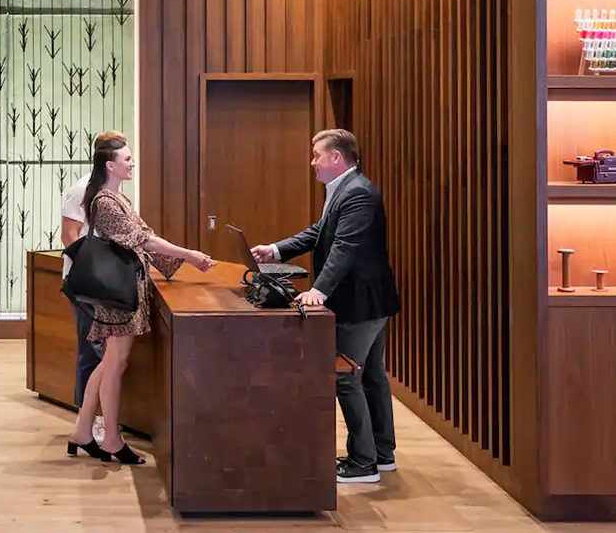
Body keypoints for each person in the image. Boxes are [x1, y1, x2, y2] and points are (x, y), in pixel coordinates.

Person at [252, 129, 401, 484]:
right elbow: (320, 232)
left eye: (317, 155)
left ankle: (363, 463)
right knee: (371, 377)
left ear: (336, 157)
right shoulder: (346, 191)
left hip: (360, 304)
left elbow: (344, 249)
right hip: (370, 302)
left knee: (346, 377)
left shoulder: (358, 194)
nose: (313, 162)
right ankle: (382, 455)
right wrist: (276, 249)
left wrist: (318, 290)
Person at [67, 136, 216, 463]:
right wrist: (188, 255)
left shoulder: (117, 198)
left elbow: (145, 236)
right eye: (127, 158)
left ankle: (81, 431)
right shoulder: (105, 202)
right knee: (115, 365)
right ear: (110, 165)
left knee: (108, 363)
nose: (132, 163)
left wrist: (179, 261)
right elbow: (143, 240)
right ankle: (111, 439)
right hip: (119, 296)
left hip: (124, 292)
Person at [61, 130, 126, 443]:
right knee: (93, 351)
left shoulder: (114, 190)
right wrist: (93, 272)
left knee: (106, 353)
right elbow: (69, 235)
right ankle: (89, 421)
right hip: (88, 283)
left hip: (108, 283)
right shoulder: (81, 190)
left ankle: (97, 420)